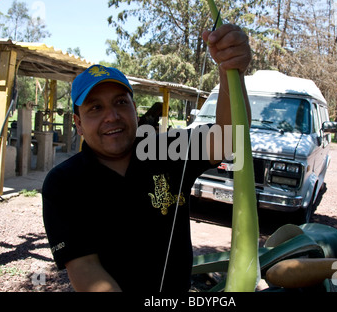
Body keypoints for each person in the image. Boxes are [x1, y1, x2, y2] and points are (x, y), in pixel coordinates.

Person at [42, 23, 251, 292]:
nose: (112, 116)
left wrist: (230, 70)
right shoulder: (63, 183)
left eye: (120, 102)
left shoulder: (168, 149)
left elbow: (228, 139)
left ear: (134, 109)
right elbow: (84, 268)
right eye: (95, 107)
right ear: (78, 123)